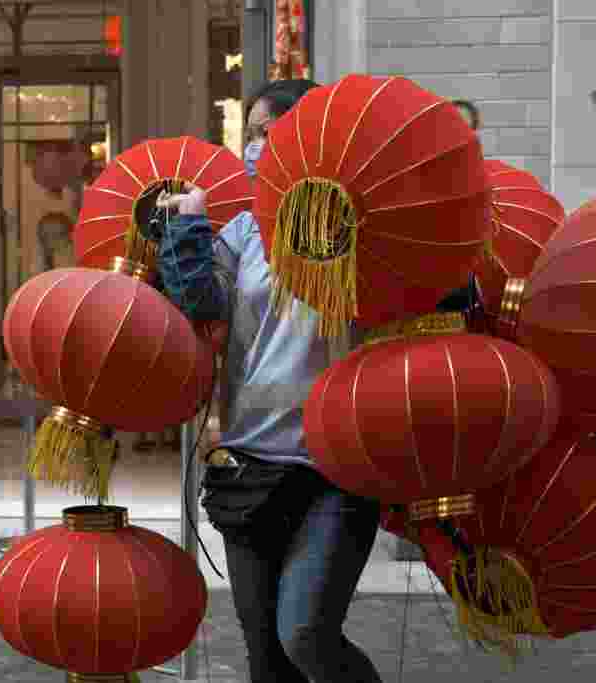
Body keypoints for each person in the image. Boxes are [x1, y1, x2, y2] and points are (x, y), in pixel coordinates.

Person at [155, 78, 385, 683]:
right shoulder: (243, 233)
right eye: (251, 134)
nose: (256, 148)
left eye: (269, 133)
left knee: (305, 632)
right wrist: (188, 229)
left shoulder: (361, 232)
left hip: (337, 469)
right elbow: (201, 305)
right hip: (250, 463)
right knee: (267, 659)